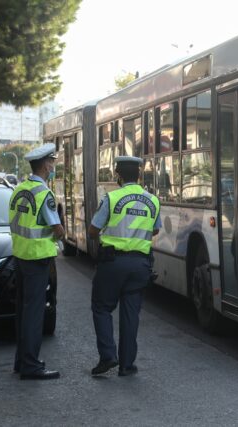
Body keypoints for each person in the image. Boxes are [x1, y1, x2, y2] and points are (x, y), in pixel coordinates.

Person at [88, 156, 161, 377]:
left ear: (117, 175)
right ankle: (127, 365)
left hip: (112, 263)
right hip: (140, 264)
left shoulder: (111, 198)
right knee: (131, 314)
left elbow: (93, 230)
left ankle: (108, 355)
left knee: (101, 307)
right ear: (139, 175)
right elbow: (155, 230)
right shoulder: (153, 200)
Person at [8, 143, 64, 380]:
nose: (53, 166)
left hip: (20, 256)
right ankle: (31, 365)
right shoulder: (44, 194)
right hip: (38, 258)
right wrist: (61, 233)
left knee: (23, 310)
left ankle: (21, 361)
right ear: (45, 165)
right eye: (52, 162)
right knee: (34, 313)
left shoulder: (19, 189)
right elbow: (57, 229)